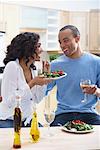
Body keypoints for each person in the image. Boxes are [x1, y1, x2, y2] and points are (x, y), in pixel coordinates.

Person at [46, 25, 100, 126]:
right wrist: (42, 78)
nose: (62, 45)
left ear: (77, 39)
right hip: (63, 114)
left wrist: (96, 91)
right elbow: (43, 91)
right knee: (54, 137)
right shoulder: (55, 65)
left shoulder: (96, 62)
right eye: (60, 42)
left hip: (89, 113)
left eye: (65, 40)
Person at [0, 32, 52, 128]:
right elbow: (9, 101)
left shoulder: (32, 69)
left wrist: (45, 76)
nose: (42, 50)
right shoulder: (12, 66)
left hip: (27, 119)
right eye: (38, 46)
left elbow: (37, 99)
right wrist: (32, 83)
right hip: (9, 119)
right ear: (28, 49)